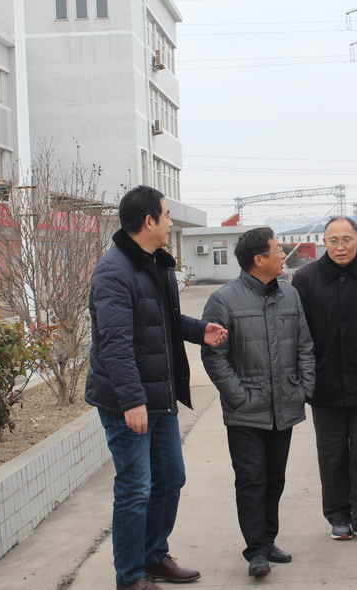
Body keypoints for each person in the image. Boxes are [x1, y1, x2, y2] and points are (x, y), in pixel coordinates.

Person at [85, 185, 228, 590]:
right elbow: (115, 344)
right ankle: (130, 577)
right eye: (166, 216)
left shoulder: (156, 264)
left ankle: (153, 556)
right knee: (135, 488)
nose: (169, 222)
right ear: (148, 221)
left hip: (158, 393)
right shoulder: (113, 272)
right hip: (127, 400)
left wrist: (200, 331)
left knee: (170, 479)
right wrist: (132, 401)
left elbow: (163, 319)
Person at [201, 227, 315, 578]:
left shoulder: (290, 295)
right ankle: (256, 551)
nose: (283, 255)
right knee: (251, 479)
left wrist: (303, 388)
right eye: (277, 250)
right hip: (246, 410)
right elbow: (214, 357)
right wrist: (239, 396)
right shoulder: (223, 300)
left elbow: (305, 345)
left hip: (284, 403)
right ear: (259, 260)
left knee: (275, 478)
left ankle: (268, 539)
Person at [291, 216, 357, 544]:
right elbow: (298, 333)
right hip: (323, 381)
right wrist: (302, 375)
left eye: (347, 239)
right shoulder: (305, 278)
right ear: (324, 242)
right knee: (332, 452)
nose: (341, 246)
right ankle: (338, 517)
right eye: (334, 240)